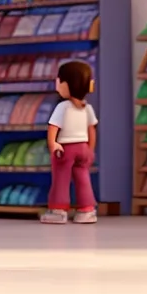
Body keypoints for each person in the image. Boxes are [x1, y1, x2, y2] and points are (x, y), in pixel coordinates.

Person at [40, 60, 98, 224]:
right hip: (83, 147)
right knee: (83, 178)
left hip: (65, 148)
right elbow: (91, 130)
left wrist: (53, 144)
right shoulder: (87, 108)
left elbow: (53, 127)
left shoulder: (63, 107)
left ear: (65, 85)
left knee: (61, 178)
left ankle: (58, 210)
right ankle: (87, 210)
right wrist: (90, 149)